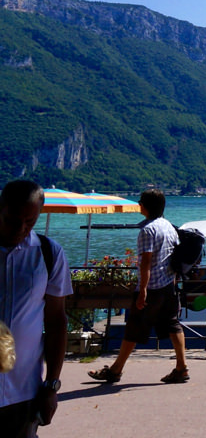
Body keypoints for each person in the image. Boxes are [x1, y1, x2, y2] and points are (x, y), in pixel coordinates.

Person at [88, 188, 189, 385]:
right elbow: (173, 257)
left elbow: (145, 262)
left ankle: (115, 371)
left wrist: (142, 290)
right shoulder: (169, 226)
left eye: (140, 202)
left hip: (152, 286)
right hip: (169, 284)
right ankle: (181, 368)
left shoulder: (148, 230)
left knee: (134, 327)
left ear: (145, 206)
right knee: (172, 323)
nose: (139, 204)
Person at [0, 179, 71, 438]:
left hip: (23, 393)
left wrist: (51, 385)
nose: (21, 228)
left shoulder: (49, 254)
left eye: (30, 221)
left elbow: (56, 322)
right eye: (12, 219)